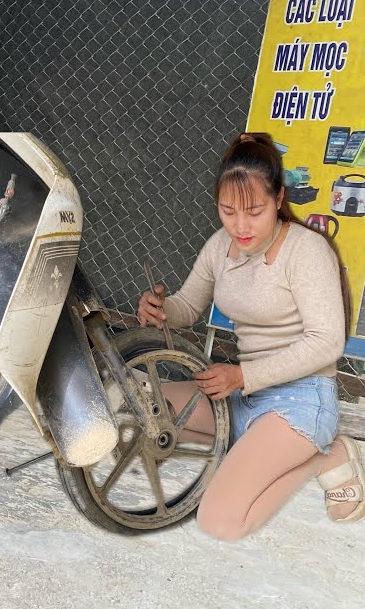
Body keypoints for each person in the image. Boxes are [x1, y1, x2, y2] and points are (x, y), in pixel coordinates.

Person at [138, 132, 364, 539]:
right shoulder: (219, 246)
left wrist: (242, 376)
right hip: (243, 396)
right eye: (227, 211)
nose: (240, 226)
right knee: (146, 410)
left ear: (278, 199)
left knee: (221, 522)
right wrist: (161, 308)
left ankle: (324, 457)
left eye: (254, 211)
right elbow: (188, 305)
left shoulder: (306, 251)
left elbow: (328, 342)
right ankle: (253, 451)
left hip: (300, 399)